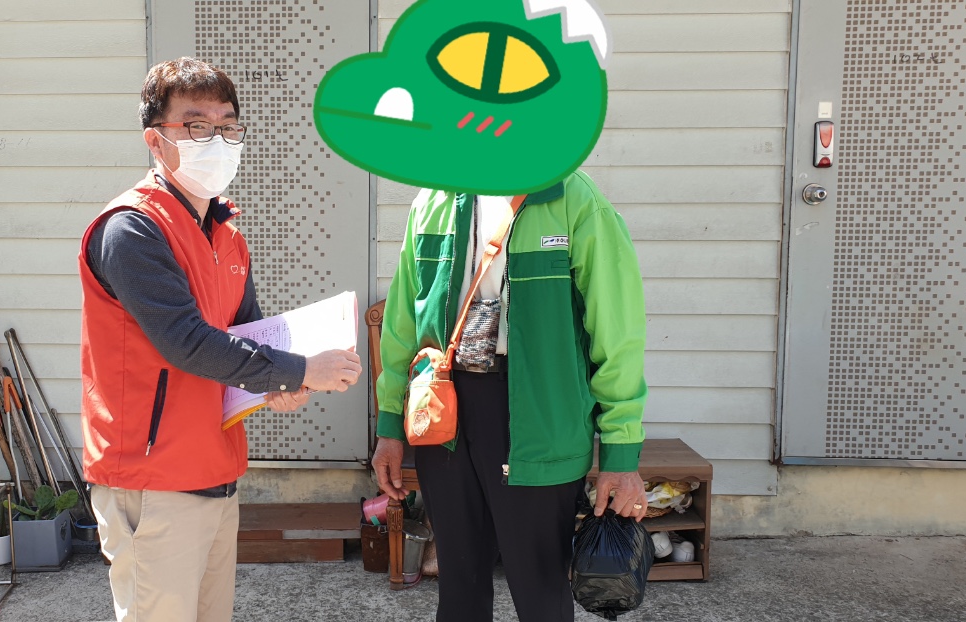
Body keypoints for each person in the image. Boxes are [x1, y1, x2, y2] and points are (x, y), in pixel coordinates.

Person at [78, 57, 361, 622]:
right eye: (197, 125)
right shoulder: (132, 228)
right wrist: (300, 368)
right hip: (154, 476)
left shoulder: (226, 231)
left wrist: (276, 386)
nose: (218, 139)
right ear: (155, 140)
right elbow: (185, 341)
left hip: (215, 466)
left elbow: (248, 333)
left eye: (228, 126)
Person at [371, 175, 649, 622]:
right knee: (458, 590)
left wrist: (620, 451)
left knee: (541, 593)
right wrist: (389, 425)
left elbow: (618, 335)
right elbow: (402, 323)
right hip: (443, 416)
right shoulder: (433, 200)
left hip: (541, 420)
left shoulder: (574, 198)